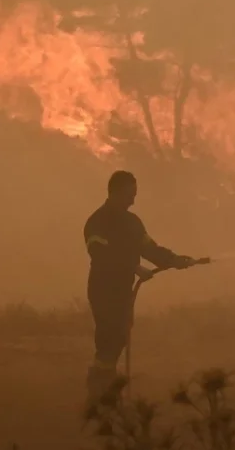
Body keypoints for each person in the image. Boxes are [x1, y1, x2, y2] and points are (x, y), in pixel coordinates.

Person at [82, 170, 195, 399]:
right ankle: (99, 383)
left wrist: (175, 260)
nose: (134, 199)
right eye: (130, 194)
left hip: (123, 289)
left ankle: (106, 382)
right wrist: (133, 268)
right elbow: (101, 254)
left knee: (121, 334)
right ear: (115, 192)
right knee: (108, 334)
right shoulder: (97, 222)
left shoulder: (133, 222)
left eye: (135, 194)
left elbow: (149, 249)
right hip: (103, 288)